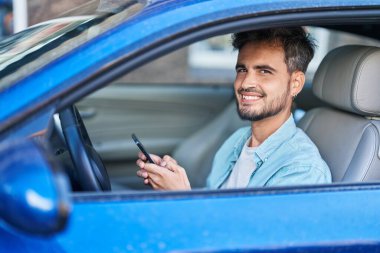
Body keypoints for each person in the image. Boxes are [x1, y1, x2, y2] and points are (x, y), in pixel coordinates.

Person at [136, 27, 332, 190]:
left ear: (295, 83)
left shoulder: (302, 171)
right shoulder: (236, 141)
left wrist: (182, 195)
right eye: (242, 69)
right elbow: (215, 206)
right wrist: (174, 180)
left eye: (264, 71)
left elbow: (250, 237)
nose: (245, 82)